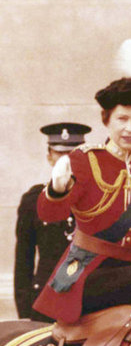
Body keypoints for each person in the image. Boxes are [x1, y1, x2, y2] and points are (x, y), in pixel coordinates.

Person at [32, 40, 131, 324]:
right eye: (122, 119)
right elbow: (49, 214)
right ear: (107, 121)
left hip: (127, 273)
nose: (130, 128)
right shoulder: (86, 160)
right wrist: (57, 189)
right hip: (85, 276)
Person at [14, 122, 91, 322]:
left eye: (72, 153)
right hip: (44, 301)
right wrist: (24, 313)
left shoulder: (96, 198)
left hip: (88, 300)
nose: (66, 160)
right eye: (59, 153)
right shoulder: (33, 200)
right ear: (49, 157)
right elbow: (23, 260)